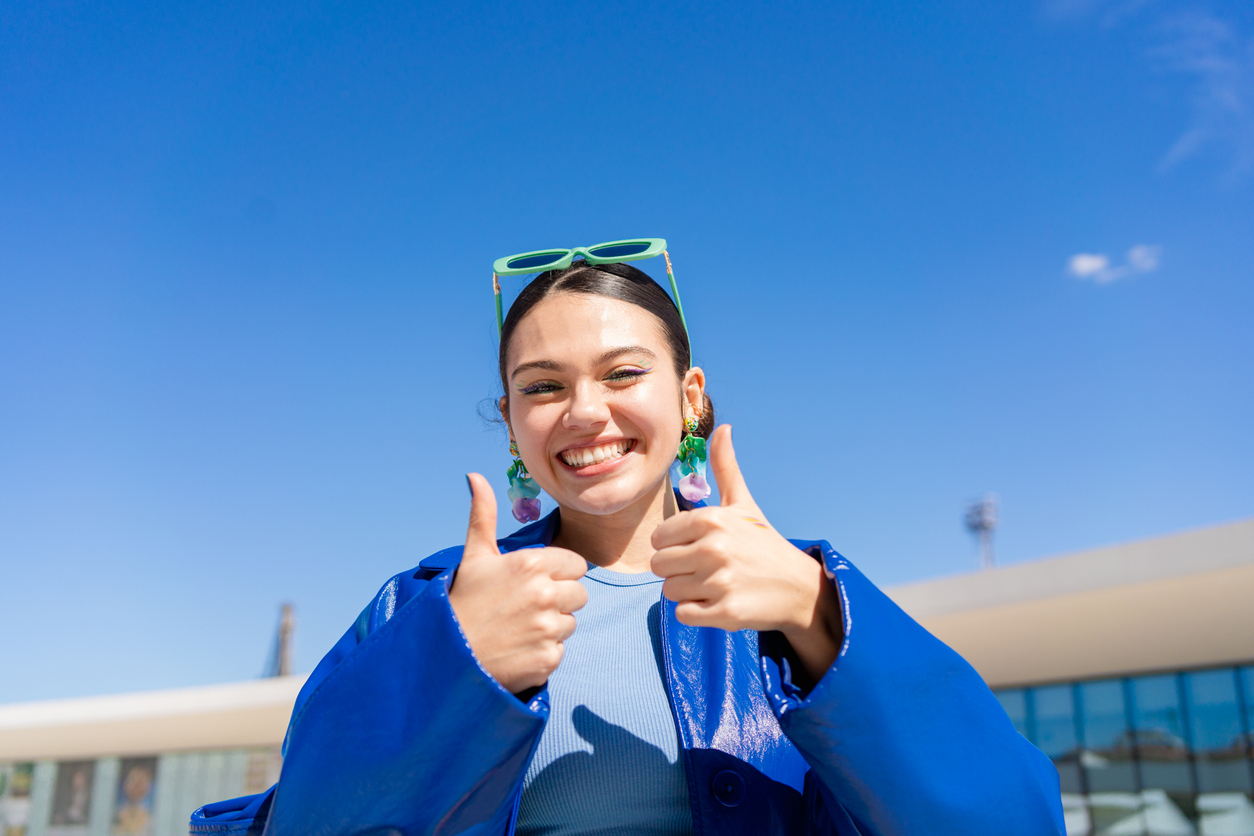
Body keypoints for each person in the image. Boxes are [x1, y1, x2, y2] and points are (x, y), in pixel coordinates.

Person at [190, 239, 1065, 835]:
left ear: (690, 396)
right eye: (541, 386)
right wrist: (450, 672)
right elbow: (306, 819)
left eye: (622, 373)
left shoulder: (804, 597)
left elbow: (1011, 818)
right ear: (510, 421)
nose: (583, 412)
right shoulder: (426, 607)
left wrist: (818, 614)